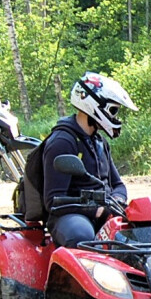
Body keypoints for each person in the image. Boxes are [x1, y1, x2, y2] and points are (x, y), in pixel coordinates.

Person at [40, 73, 136, 248]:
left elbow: (118, 184)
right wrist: (93, 209)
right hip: (70, 216)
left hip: (107, 210)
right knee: (81, 236)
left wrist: (116, 201)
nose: (115, 117)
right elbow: (53, 199)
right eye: (113, 111)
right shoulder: (62, 142)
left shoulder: (99, 142)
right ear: (92, 105)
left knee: (146, 230)